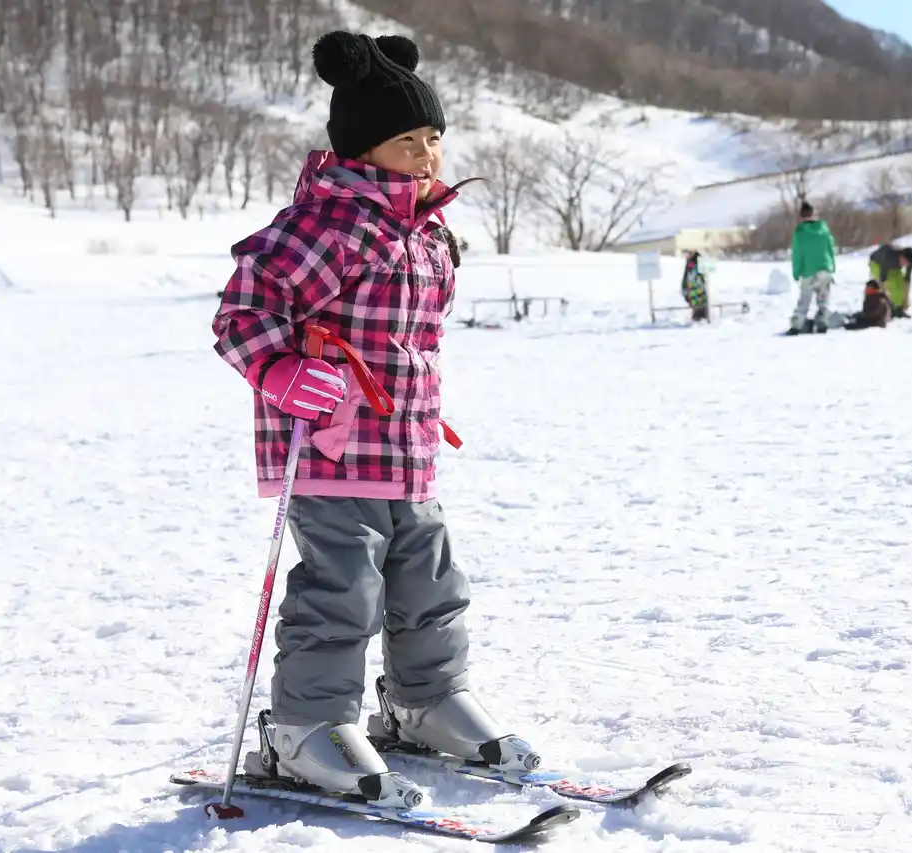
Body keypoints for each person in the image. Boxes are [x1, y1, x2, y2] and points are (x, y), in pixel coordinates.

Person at [210, 30, 538, 808]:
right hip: (331, 446)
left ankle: (425, 700)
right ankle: (306, 726)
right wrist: (280, 369)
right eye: (406, 141)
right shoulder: (328, 224)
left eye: (433, 138)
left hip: (407, 450)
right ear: (363, 148)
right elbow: (244, 309)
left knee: (431, 581)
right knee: (342, 588)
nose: (426, 154)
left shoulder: (425, 231)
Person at [786, 201, 838, 334]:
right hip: (824, 267)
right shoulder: (824, 229)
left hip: (808, 270)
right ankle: (822, 322)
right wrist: (832, 265)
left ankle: (797, 325)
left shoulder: (800, 232)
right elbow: (831, 248)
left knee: (804, 299)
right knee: (823, 298)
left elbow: (797, 253)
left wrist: (796, 271)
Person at [868, 243, 912, 318]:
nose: (905, 265)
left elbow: (907, 280)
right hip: (877, 264)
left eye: (907, 264)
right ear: (901, 256)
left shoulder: (910, 261)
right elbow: (882, 280)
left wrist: (906, 300)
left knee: (900, 284)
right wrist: (886, 297)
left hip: (893, 266)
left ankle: (899, 309)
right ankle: (887, 309)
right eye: (904, 262)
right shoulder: (889, 256)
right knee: (891, 284)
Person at [681, 249, 710, 321]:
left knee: (700, 306)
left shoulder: (699, 260)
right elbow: (686, 276)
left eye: (689, 253)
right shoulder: (689, 262)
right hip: (692, 290)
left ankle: (702, 318)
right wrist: (684, 287)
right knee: (696, 306)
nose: (687, 255)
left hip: (699, 289)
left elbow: (705, 276)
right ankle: (698, 318)